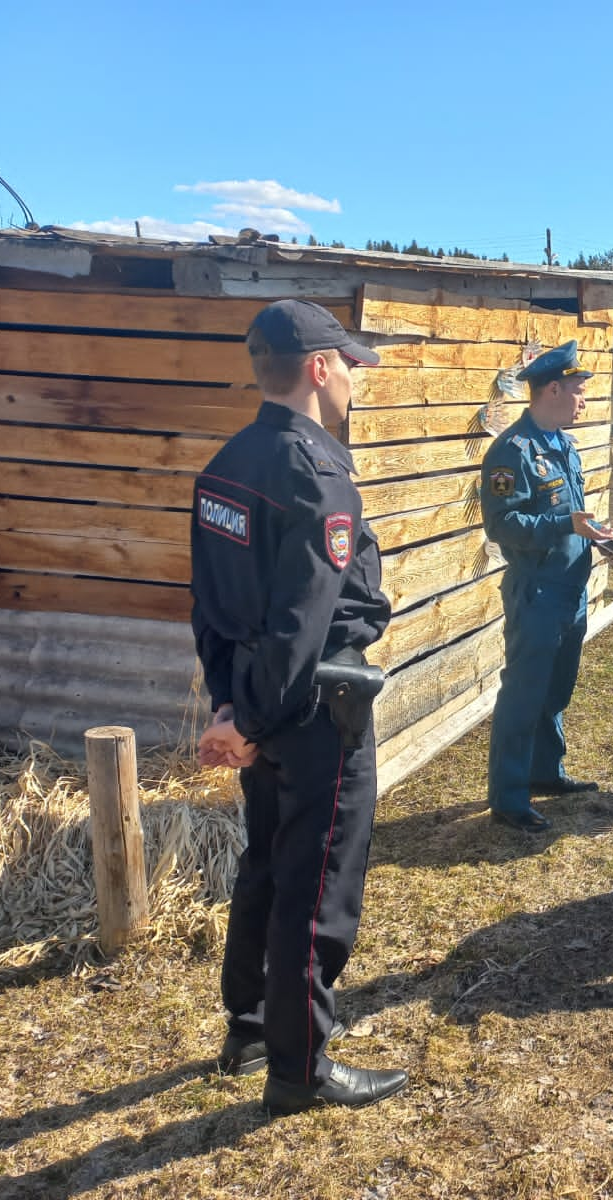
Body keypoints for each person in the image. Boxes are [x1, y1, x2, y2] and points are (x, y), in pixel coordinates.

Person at [190, 299, 407, 1114]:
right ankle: (301, 1068)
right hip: (316, 711)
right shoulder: (318, 477)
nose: (354, 378)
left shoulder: (226, 465)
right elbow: (302, 625)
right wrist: (250, 719)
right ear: (318, 369)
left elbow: (207, 608)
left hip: (258, 703)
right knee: (316, 890)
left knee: (266, 865)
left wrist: (228, 708)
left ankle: (249, 1025)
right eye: (348, 363)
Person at [480, 339, 613, 833]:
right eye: (579, 390)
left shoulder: (564, 445)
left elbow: (571, 516)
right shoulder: (511, 452)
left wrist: (595, 533)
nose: (584, 399)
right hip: (536, 592)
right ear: (554, 389)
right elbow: (503, 525)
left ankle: (545, 771)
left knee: (556, 690)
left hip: (570, 590)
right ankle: (509, 797)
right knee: (524, 693)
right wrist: (565, 522)